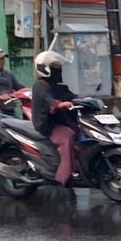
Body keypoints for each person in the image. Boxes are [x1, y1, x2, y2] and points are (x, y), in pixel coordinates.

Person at [31, 51, 78, 186]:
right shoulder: (41, 86)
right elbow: (48, 100)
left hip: (60, 121)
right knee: (67, 136)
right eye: (54, 67)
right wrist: (59, 104)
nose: (58, 70)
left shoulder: (56, 85)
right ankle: (63, 176)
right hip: (47, 125)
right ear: (44, 68)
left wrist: (88, 100)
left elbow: (71, 95)